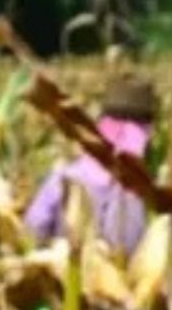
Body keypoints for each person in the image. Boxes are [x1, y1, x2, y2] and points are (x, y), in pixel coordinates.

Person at [23, 74, 158, 255]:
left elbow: (34, 228)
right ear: (147, 132)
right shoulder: (135, 192)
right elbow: (131, 247)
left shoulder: (64, 175)